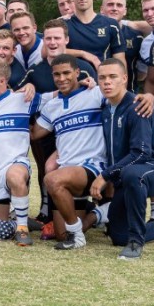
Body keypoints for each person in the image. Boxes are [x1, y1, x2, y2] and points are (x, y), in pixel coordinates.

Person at [31, 54, 108, 250]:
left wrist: (149, 96)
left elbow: (123, 98)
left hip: (91, 165)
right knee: (60, 234)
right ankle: (100, 213)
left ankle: (77, 236)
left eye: (66, 73)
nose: (62, 78)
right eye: (57, 74)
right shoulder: (52, 106)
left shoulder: (95, 93)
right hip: (67, 170)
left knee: (52, 179)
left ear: (77, 72)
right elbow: (33, 134)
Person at [0, 59, 43, 246]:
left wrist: (89, 85)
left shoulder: (22, 99)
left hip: (16, 164)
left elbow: (59, 97)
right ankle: (17, 221)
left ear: (3, 81)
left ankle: (22, 229)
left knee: (15, 176)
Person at [91, 58, 154, 260]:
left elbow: (141, 154)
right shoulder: (106, 109)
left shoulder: (138, 106)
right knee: (118, 235)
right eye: (102, 78)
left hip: (146, 168)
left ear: (125, 79)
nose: (107, 82)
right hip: (125, 177)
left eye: (112, 77)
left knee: (132, 173)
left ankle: (136, 242)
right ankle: (135, 234)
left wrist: (105, 175)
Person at [64, 0, 126, 71]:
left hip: (103, 83)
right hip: (74, 83)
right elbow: (49, 51)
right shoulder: (63, 25)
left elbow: (120, 62)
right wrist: (82, 53)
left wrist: (121, 85)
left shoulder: (111, 25)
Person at [100, 0, 145, 92]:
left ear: (125, 11)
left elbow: (142, 73)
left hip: (129, 93)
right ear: (102, 9)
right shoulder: (91, 32)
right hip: (96, 94)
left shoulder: (137, 37)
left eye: (119, 5)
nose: (114, 8)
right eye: (110, 5)